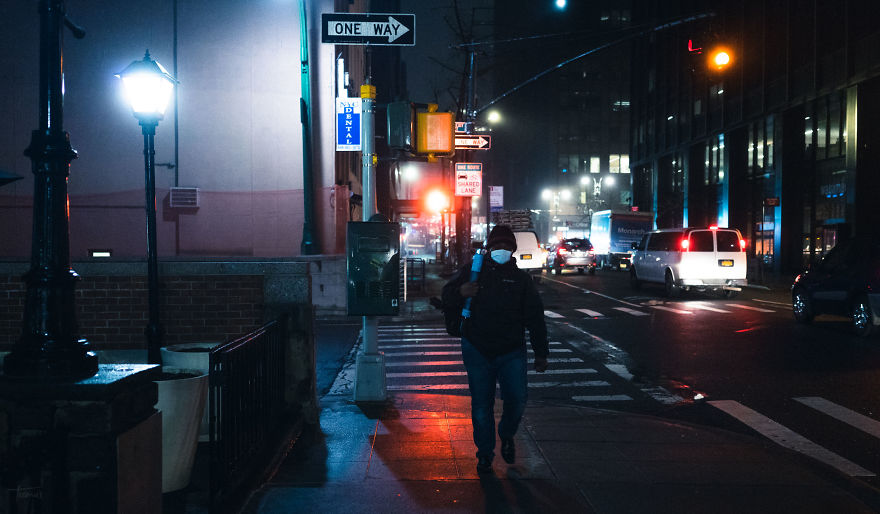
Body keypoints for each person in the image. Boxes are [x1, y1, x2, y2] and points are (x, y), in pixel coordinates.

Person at [441, 224, 549, 474]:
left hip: (511, 350)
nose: (501, 250)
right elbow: (446, 295)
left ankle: (507, 433)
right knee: (481, 404)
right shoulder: (473, 271)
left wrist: (541, 352)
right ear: (489, 248)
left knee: (517, 399)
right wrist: (461, 291)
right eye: (497, 246)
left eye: (506, 246)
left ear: (513, 250)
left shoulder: (522, 280)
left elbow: (535, 317)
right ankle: (485, 453)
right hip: (477, 347)